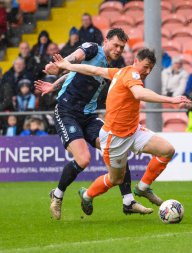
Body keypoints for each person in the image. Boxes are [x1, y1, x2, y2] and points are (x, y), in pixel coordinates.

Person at [51, 48, 192, 216]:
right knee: (115, 179)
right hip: (115, 138)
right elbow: (139, 94)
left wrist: (69, 65)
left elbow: (94, 70)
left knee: (167, 151)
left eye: (150, 69)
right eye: (145, 66)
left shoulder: (119, 73)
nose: (147, 72)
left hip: (134, 131)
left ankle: (143, 188)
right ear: (136, 61)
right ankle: (87, 194)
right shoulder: (131, 74)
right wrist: (171, 100)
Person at [34, 28, 151, 220]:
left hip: (88, 115)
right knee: (83, 159)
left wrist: (55, 84)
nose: (118, 49)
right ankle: (57, 195)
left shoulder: (114, 65)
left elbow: (73, 70)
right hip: (66, 111)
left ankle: (128, 201)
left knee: (117, 146)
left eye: (122, 47)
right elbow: (74, 59)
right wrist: (60, 67)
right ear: (106, 41)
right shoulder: (92, 49)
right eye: (115, 45)